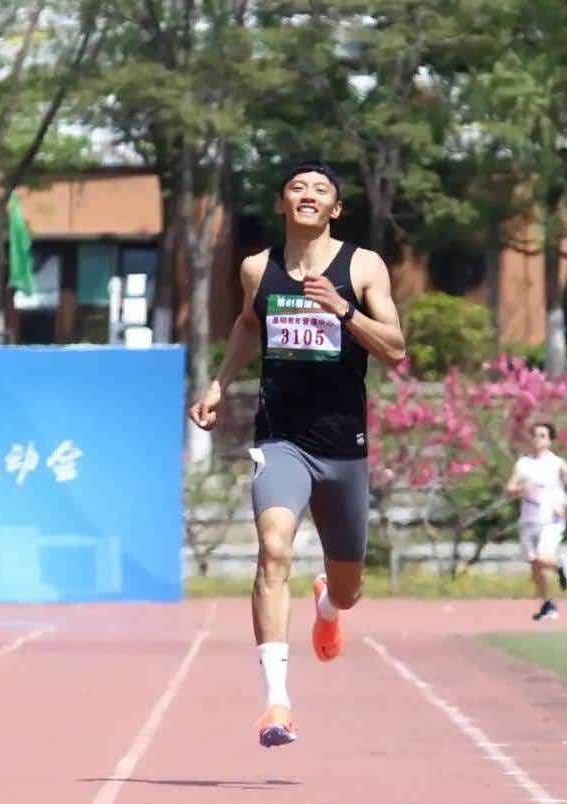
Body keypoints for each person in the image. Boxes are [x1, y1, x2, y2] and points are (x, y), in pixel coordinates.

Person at [188, 160, 406, 748]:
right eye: (297, 187)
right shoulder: (257, 268)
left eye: (321, 189)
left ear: (336, 208)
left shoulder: (362, 266)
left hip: (343, 447)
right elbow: (246, 324)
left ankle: (328, 608)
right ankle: (277, 702)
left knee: (349, 588)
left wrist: (344, 310)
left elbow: (396, 348)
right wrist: (219, 383)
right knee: (274, 549)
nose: (308, 194)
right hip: (281, 440)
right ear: (283, 202)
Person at [505, 422, 567, 622]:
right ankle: (548, 604)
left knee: (542, 557)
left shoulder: (557, 463)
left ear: (549, 440)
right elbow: (510, 488)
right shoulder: (523, 463)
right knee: (535, 565)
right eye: (535, 435)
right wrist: (520, 489)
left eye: (542, 436)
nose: (538, 439)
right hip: (528, 519)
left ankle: (561, 564)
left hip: (550, 519)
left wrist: (565, 502)